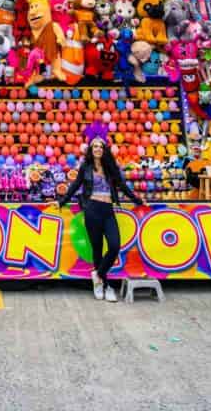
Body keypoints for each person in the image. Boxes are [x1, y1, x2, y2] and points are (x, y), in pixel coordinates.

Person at [58, 125, 143, 303]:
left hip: (108, 210)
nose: (97, 149)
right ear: (91, 149)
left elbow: (122, 185)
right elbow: (74, 186)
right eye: (94, 146)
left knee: (114, 246)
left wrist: (138, 200)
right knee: (97, 250)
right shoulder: (85, 167)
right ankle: (104, 285)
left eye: (100, 146)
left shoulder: (111, 167)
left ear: (105, 150)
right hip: (92, 210)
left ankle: (97, 276)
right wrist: (61, 201)